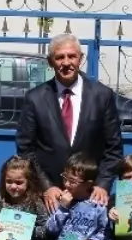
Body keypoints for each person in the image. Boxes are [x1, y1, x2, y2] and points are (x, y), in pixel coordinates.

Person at [16, 34, 123, 210]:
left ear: (80, 58)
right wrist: (46, 186)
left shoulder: (102, 96)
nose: (66, 63)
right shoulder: (35, 98)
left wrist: (102, 184)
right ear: (51, 62)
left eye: (72, 56)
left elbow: (113, 147)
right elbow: (25, 148)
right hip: (50, 197)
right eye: (59, 57)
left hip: (90, 196)